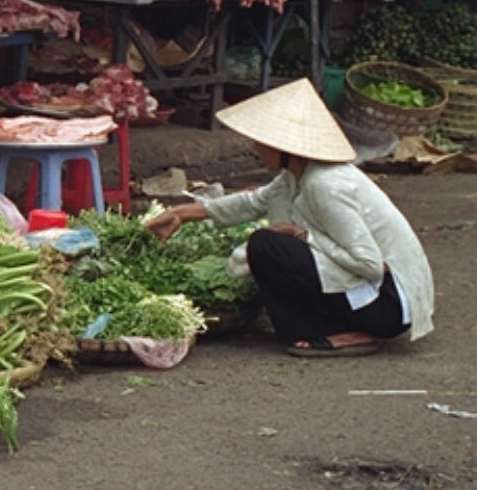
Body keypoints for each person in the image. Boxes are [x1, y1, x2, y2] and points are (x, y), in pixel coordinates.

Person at [143, 79, 432, 357]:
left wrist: (305, 237)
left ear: (285, 149)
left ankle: (346, 331)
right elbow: (253, 202)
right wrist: (180, 214)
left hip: (390, 304)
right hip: (374, 292)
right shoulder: (294, 176)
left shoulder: (325, 184)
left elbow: (371, 265)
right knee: (268, 248)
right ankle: (333, 324)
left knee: (266, 246)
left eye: (261, 143)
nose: (255, 150)